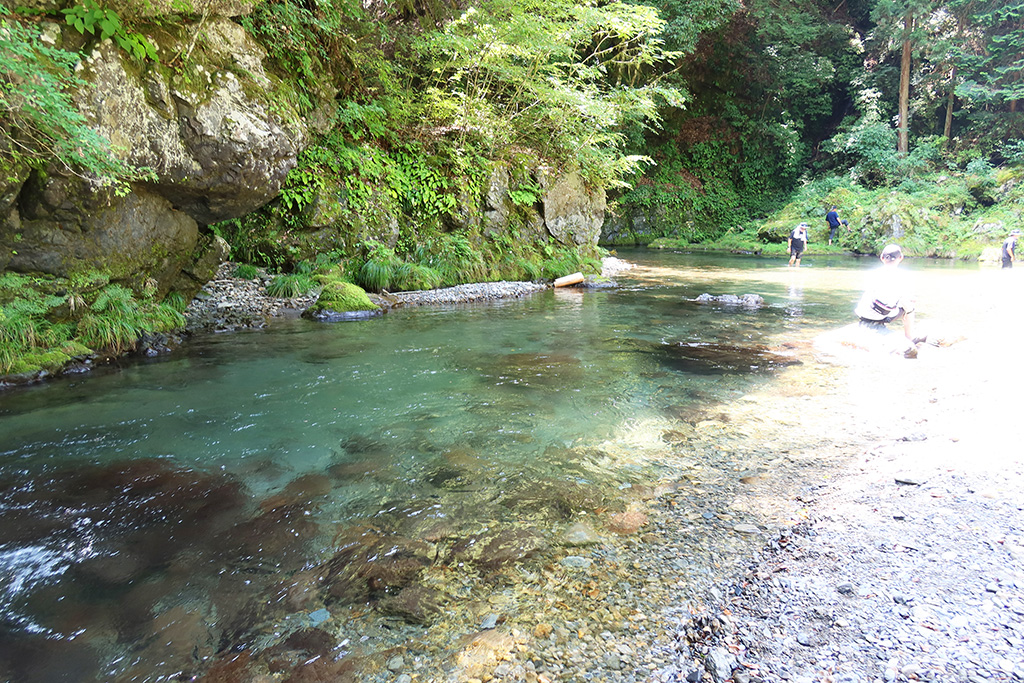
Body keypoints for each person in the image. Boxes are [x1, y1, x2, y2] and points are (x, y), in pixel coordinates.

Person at [854, 244, 920, 357]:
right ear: (901, 258)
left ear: (882, 258)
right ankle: (909, 336)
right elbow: (909, 298)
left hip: (863, 314)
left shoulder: (872, 274)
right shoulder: (904, 276)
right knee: (910, 306)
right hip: (882, 316)